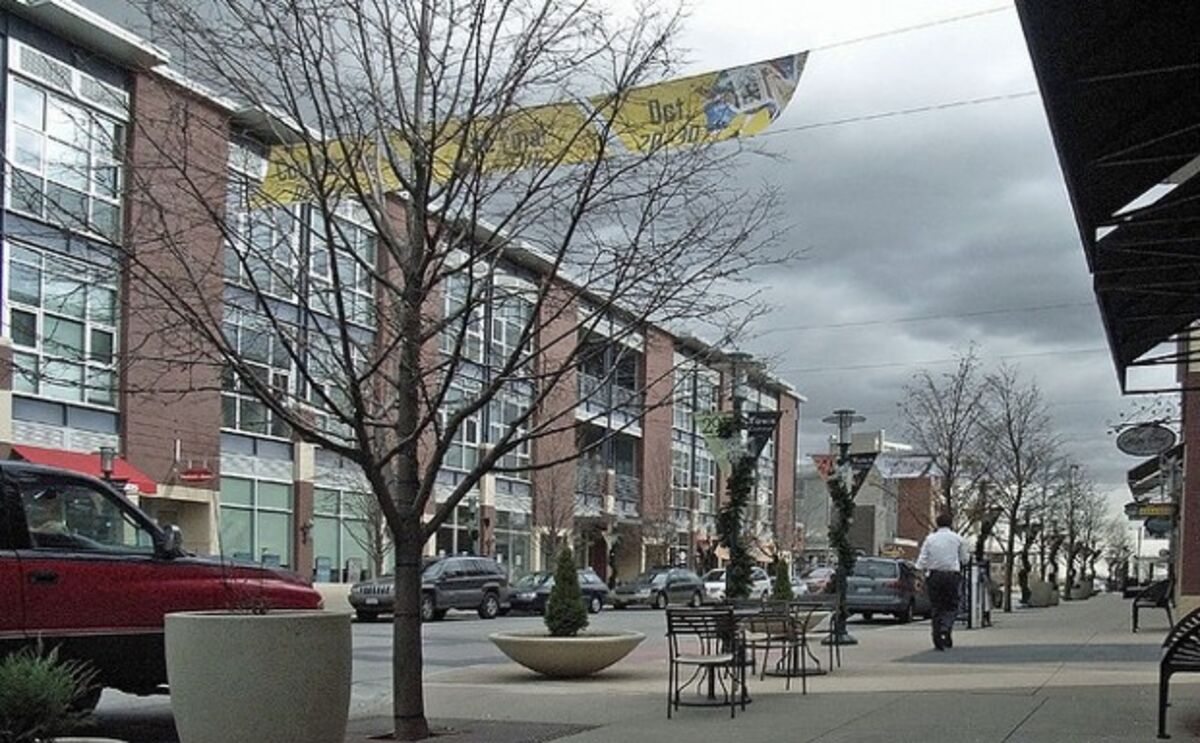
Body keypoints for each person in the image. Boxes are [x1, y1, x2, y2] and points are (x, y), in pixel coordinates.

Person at [915, 512, 969, 650]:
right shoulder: (958, 539)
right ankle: (946, 627)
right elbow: (965, 559)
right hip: (951, 575)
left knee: (937, 607)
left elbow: (922, 560)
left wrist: (920, 574)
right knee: (952, 605)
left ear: (937, 524)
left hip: (934, 575)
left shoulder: (930, 539)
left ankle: (937, 635)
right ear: (950, 524)